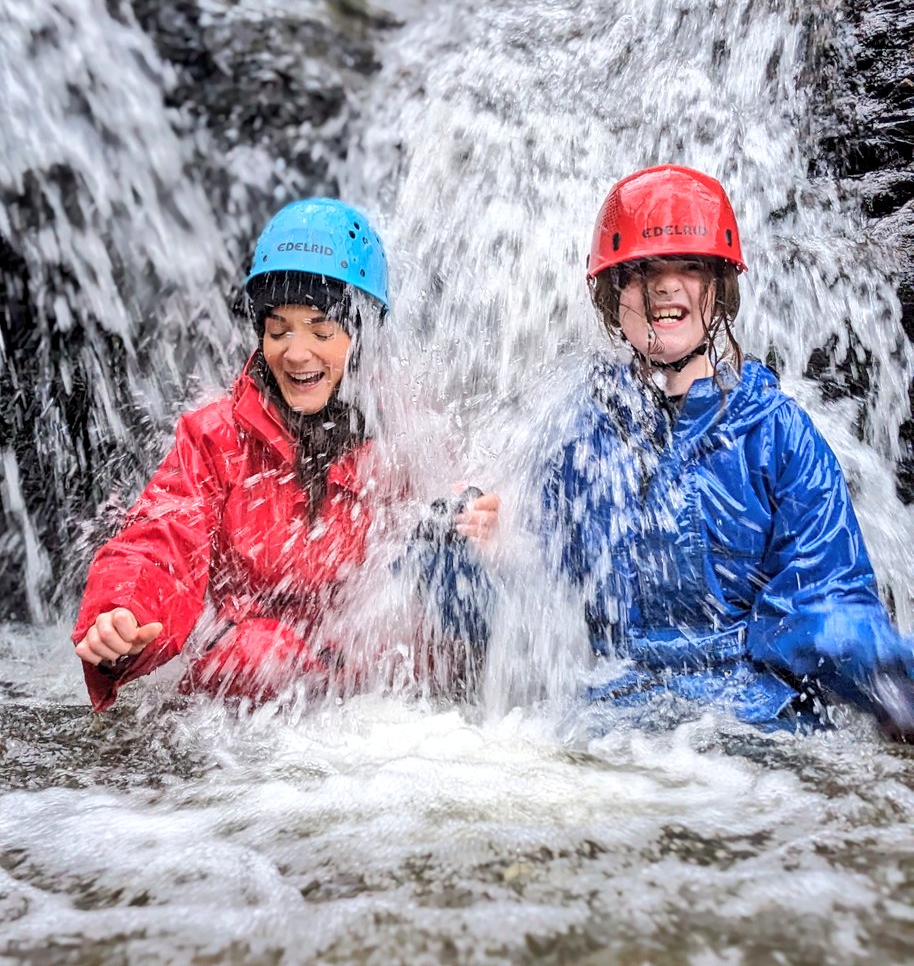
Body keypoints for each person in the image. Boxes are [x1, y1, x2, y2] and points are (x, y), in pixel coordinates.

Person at [72, 197, 499, 711]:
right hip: (256, 687)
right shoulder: (213, 437)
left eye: (321, 331)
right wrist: (123, 613)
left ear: (360, 337)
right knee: (261, 657)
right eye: (278, 330)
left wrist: (478, 529)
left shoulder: (407, 434)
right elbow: (160, 540)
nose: (296, 353)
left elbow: (455, 538)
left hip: (370, 691)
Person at [539, 163, 914, 735]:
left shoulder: (779, 434)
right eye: (642, 271)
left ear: (719, 289)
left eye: (689, 266)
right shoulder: (580, 440)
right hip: (615, 717)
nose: (666, 285)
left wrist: (886, 679)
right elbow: (537, 597)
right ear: (615, 297)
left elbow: (825, 596)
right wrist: (478, 552)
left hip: (756, 721)